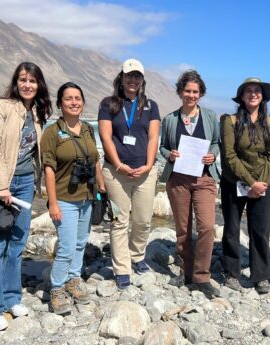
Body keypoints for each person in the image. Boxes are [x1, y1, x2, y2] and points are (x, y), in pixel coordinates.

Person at [0, 62, 52, 331]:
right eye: (23, 80)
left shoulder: (38, 112)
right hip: (0, 184)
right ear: (16, 83)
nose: (27, 85)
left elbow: (34, 153)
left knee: (17, 243)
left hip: (25, 182)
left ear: (39, 84)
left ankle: (10, 297)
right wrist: (1, 186)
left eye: (32, 80)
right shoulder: (3, 106)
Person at [41, 82, 106, 314]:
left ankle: (73, 278)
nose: (74, 102)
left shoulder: (88, 128)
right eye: (68, 98)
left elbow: (95, 159)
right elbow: (48, 168)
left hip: (86, 197)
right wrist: (53, 202)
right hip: (65, 199)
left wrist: (101, 187)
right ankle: (57, 289)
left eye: (78, 98)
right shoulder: (52, 133)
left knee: (80, 243)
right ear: (60, 103)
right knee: (67, 247)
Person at [98, 58, 161, 290]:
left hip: (145, 172)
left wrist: (149, 163)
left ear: (142, 80)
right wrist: (118, 164)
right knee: (118, 221)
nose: (133, 80)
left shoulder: (151, 105)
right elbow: (105, 137)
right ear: (121, 78)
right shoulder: (108, 104)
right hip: (116, 173)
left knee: (143, 220)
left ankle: (137, 255)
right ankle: (122, 268)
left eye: (137, 76)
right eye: (129, 75)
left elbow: (154, 137)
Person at [159, 70, 221, 299]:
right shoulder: (169, 119)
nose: (191, 95)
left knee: (206, 227)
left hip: (204, 179)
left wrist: (213, 156)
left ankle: (202, 276)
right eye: (187, 91)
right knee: (183, 229)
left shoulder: (211, 117)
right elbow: (162, 147)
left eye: (195, 92)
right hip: (178, 180)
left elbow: (217, 143)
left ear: (201, 94)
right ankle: (186, 272)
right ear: (180, 92)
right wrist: (170, 155)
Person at [220, 77, 270, 294]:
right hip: (233, 182)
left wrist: (261, 183)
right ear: (242, 96)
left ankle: (261, 275)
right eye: (249, 91)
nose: (253, 94)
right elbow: (229, 155)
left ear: (262, 96)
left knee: (261, 230)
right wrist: (251, 182)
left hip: (262, 183)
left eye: (257, 91)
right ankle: (232, 272)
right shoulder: (231, 121)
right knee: (232, 228)